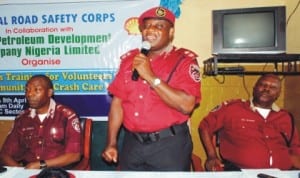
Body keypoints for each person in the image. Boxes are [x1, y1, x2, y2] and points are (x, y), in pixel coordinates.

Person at [101, 6, 201, 171]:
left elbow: (186, 105)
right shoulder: (129, 61)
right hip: (132, 144)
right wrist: (111, 143)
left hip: (169, 146)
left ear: (171, 33)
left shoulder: (184, 61)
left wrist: (150, 76)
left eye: (159, 26)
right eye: (147, 26)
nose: (150, 30)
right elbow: (117, 104)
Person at [199, 74, 300, 171]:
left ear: (278, 94)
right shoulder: (232, 108)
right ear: (254, 88)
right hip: (240, 172)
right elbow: (205, 126)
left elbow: (295, 147)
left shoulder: (285, 117)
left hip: (281, 173)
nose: (266, 89)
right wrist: (212, 156)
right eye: (263, 84)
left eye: (273, 87)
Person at [0, 74, 82, 169]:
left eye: (37, 90)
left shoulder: (67, 116)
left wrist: (40, 165)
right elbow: (5, 154)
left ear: (49, 92)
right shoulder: (22, 119)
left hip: (57, 172)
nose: (30, 94)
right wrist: (20, 172)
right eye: (27, 90)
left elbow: (74, 156)